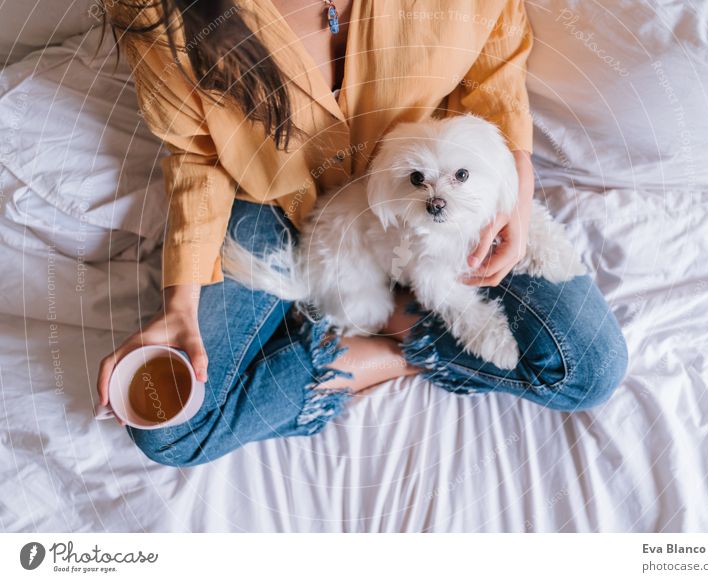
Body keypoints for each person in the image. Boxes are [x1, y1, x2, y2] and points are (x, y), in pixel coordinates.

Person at [96, 0, 628, 467]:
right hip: (274, 200)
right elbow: (197, 154)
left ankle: (390, 334)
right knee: (168, 427)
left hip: (442, 189)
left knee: (589, 366)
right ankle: (392, 344)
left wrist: (512, 182)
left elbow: (496, 60)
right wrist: (181, 303)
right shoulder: (154, 9)